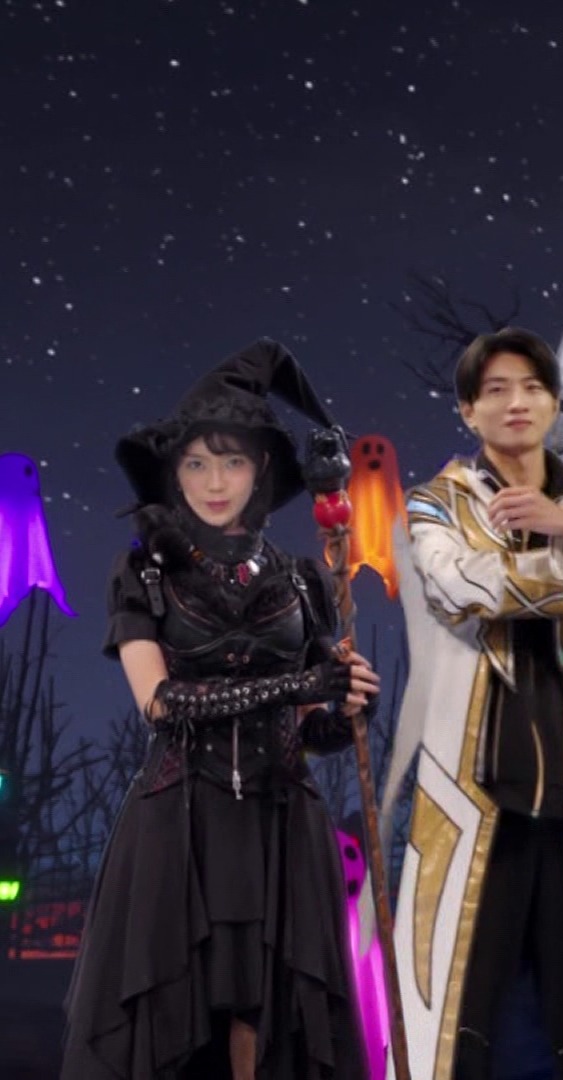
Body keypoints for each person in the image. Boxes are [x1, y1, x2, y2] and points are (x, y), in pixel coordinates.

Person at [63, 340, 380, 1080]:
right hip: (180, 821)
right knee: (181, 1018)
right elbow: (160, 704)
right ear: (173, 472)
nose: (214, 482)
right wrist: (295, 687)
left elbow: (318, 729)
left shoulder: (303, 579)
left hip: (283, 821)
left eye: (232, 461)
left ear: (262, 468)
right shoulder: (143, 571)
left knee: (269, 1018)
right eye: (196, 463)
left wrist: (348, 706)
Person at [383, 327, 563, 1079]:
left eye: (534, 387)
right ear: (468, 410)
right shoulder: (435, 503)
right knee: (456, 1023)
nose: (518, 403)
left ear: (555, 402)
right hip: (478, 798)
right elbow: (463, 585)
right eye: (497, 390)